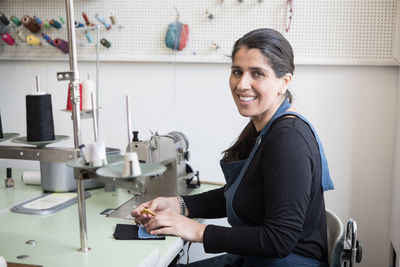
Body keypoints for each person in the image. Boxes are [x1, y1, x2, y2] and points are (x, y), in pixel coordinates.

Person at [132, 28, 334, 267]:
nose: (241, 84)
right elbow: (241, 194)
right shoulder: (265, 129)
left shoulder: (288, 140)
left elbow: (279, 240)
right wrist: (180, 204)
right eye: (237, 72)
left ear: (284, 82)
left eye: (257, 73)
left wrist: (198, 231)